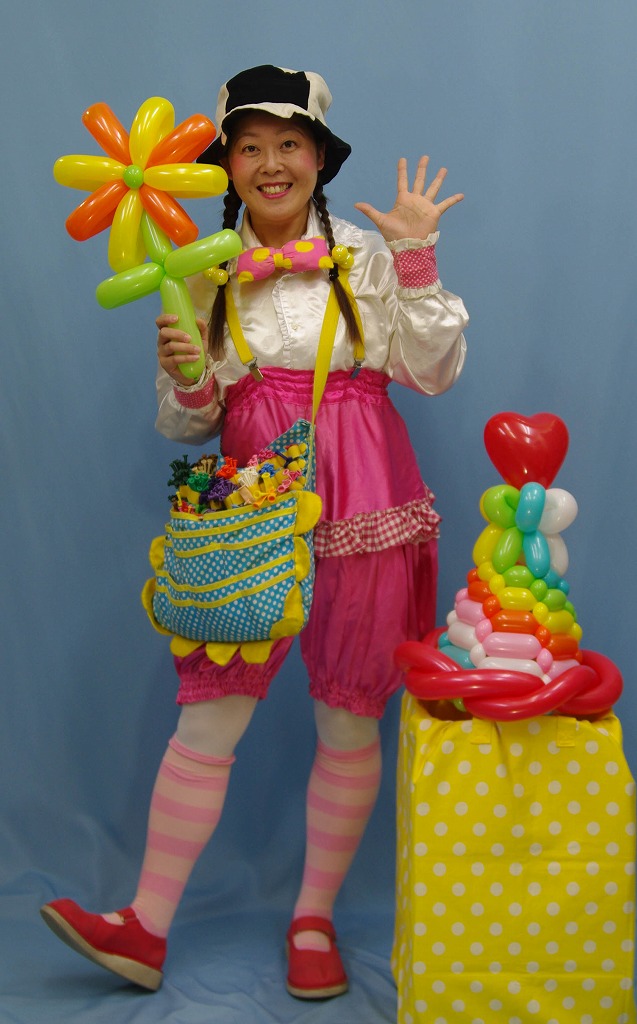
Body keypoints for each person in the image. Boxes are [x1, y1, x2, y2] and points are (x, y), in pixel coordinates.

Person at [41, 64, 468, 999]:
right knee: (209, 713)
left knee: (348, 717)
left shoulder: (366, 255)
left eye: (289, 144)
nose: (271, 163)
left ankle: (312, 920)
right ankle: (145, 927)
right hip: (249, 499)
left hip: (365, 499)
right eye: (249, 147)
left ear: (318, 157)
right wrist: (190, 376)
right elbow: (189, 422)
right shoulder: (200, 270)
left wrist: (416, 256)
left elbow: (432, 372)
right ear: (226, 166)